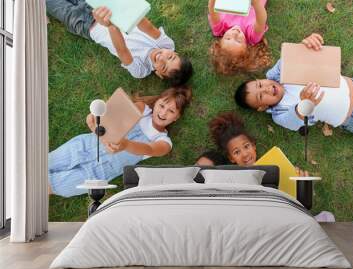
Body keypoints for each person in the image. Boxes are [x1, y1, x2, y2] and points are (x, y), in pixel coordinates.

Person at [235, 33, 353, 148]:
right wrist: (304, 103)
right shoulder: (280, 114)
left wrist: (308, 42)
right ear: (263, 107)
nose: (265, 89)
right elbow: (297, 119)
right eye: (261, 96)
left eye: (259, 85)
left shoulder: (280, 72)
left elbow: (297, 54)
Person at [48, 86, 192, 197]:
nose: (163, 112)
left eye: (171, 111)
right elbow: (108, 121)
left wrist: (126, 145)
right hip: (84, 147)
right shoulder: (142, 109)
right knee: (39, 165)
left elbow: (148, 149)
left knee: (51, 186)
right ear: (156, 103)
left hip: (96, 174)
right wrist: (94, 122)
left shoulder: (164, 142)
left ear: (176, 118)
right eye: (162, 106)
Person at [46, 0, 193, 85]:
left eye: (164, 68)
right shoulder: (167, 45)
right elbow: (146, 25)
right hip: (104, 7)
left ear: (159, 75)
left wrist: (110, 25)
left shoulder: (140, 71)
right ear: (175, 52)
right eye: (171, 57)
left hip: (87, 24)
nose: (162, 58)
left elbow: (122, 50)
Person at [208, 112, 308, 176]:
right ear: (231, 158)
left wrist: (296, 180)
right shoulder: (234, 179)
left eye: (246, 146)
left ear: (253, 145)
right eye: (237, 152)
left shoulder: (274, 165)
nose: (245, 154)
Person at [208, 0, 272, 75]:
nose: (235, 33)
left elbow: (212, 9)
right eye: (238, 40)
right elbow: (261, 19)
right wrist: (256, 4)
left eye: (228, 38)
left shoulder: (220, 29)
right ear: (247, 48)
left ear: (220, 41)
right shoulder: (252, 37)